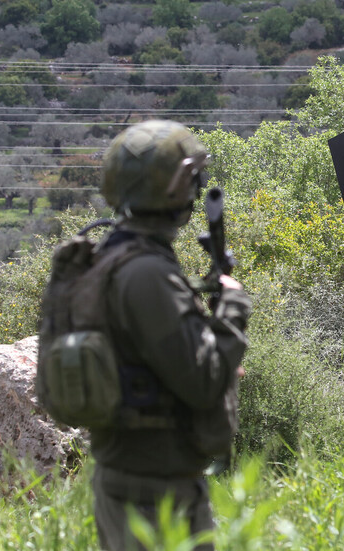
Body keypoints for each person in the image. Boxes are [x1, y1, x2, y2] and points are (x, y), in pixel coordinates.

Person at [92, 120, 252, 550]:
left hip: (125, 475)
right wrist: (233, 308)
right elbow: (201, 383)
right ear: (178, 189)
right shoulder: (147, 274)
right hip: (156, 492)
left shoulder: (110, 255)